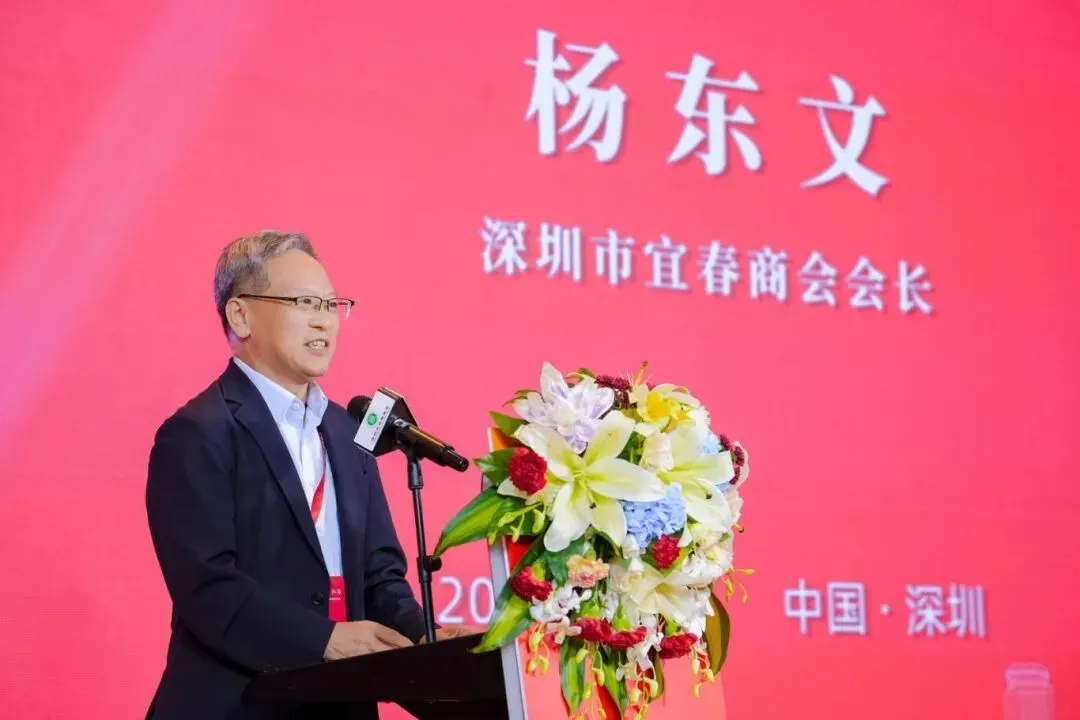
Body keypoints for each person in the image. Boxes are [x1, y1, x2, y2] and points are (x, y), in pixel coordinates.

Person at [145, 231, 477, 719]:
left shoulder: (347, 432)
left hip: (339, 703)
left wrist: (423, 638)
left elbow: (380, 577)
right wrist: (324, 639)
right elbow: (209, 588)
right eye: (304, 302)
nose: (325, 320)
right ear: (240, 315)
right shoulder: (198, 432)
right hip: (237, 703)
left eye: (332, 304)